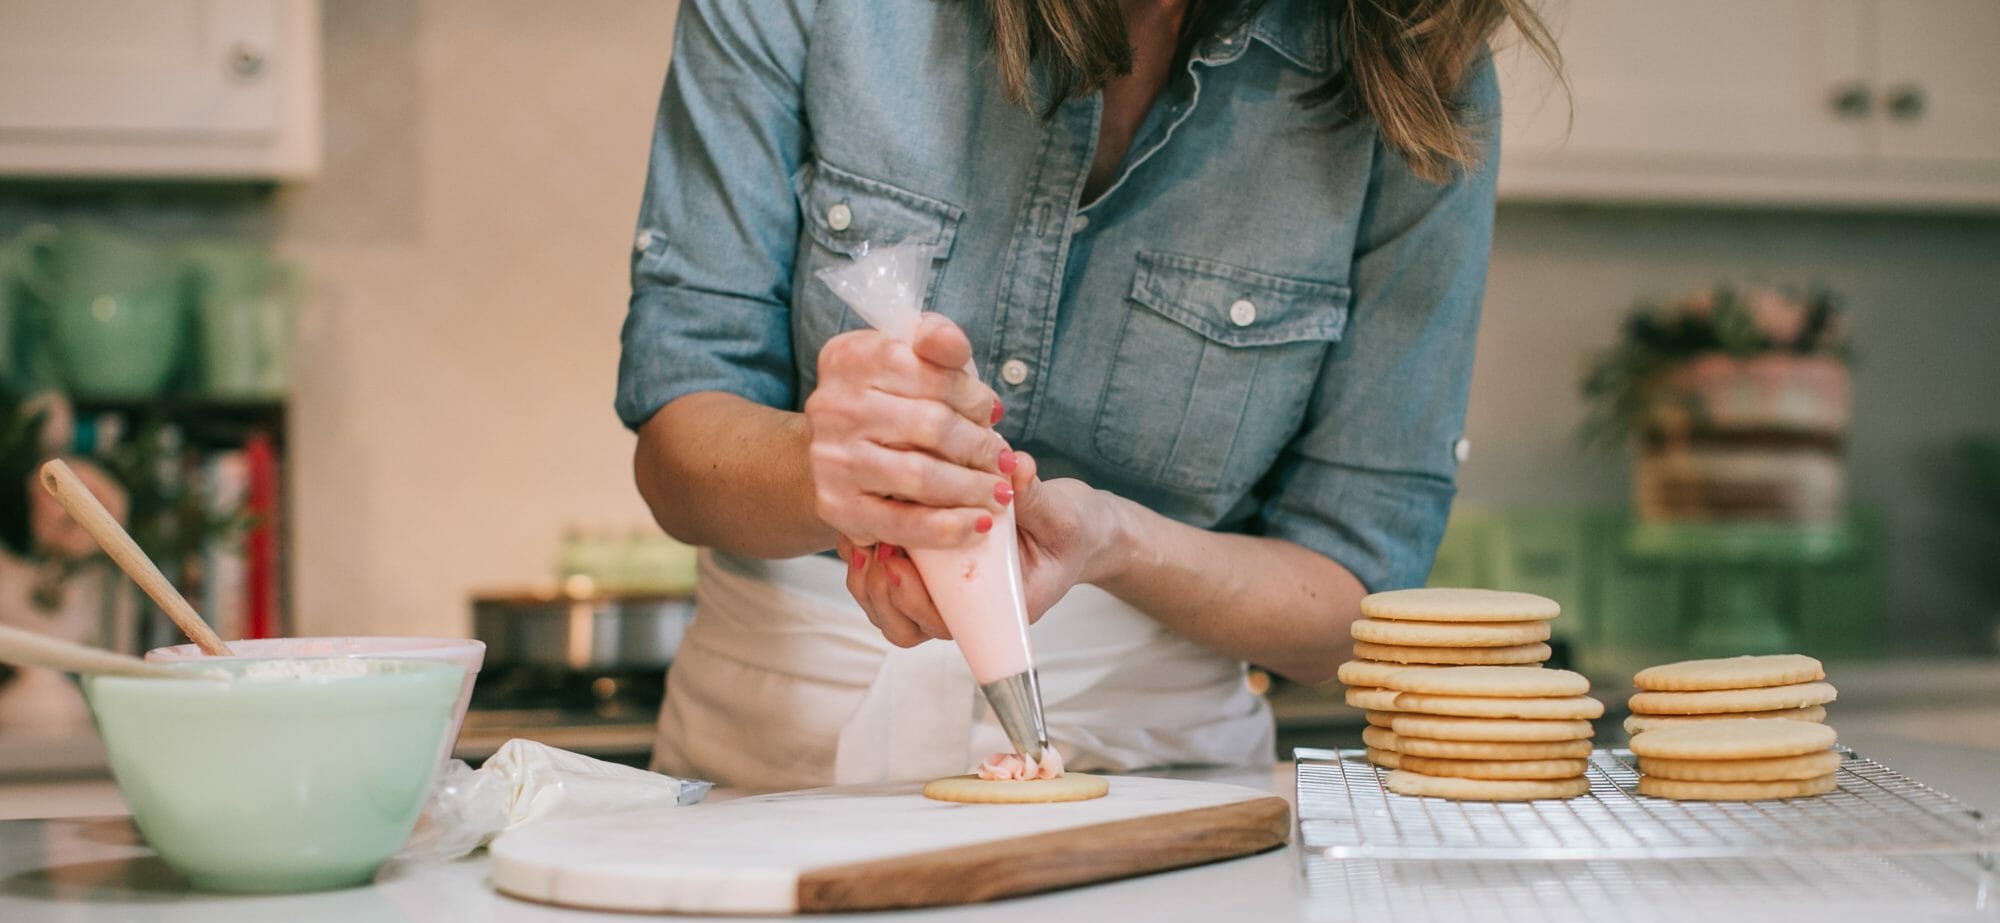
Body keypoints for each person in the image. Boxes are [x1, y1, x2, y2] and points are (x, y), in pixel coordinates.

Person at [619, 0, 1554, 789]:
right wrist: (823, 469)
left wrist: (1116, 541)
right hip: (778, 763)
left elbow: (1354, 598)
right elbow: (676, 450)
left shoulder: (1414, 63)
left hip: (1164, 795)